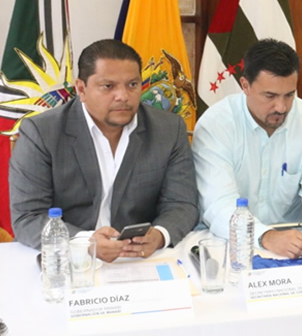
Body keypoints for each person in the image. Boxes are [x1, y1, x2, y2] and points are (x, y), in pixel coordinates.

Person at [9, 39, 199, 262]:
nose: (123, 96)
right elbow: (28, 217)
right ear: (81, 89)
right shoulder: (42, 132)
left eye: (132, 85)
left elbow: (182, 204)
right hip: (66, 259)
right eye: (108, 86)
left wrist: (159, 235)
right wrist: (85, 243)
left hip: (137, 259)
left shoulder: (168, 129)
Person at [192, 39, 302, 259]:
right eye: (270, 96)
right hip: (226, 243)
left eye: (289, 95)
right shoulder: (216, 125)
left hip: (292, 246)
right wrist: (266, 236)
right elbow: (218, 204)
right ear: (245, 86)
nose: (281, 107)